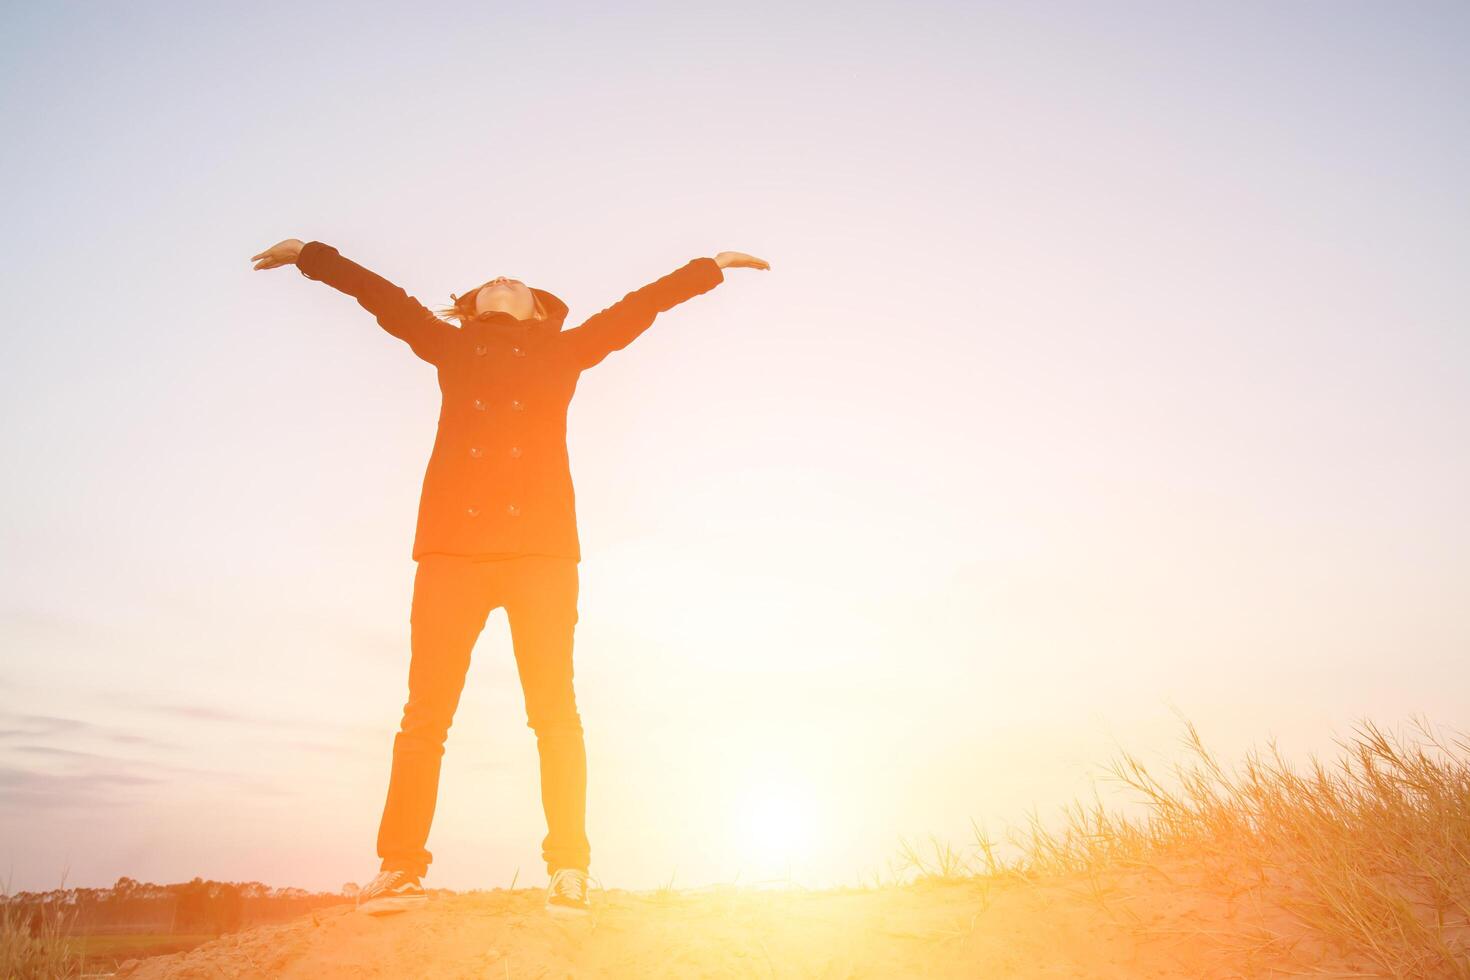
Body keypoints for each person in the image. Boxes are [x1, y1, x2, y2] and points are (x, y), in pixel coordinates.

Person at [250, 236, 769, 917]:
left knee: (554, 713)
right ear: (471, 310)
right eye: (491, 280)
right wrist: (313, 257)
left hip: (540, 554)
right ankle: (400, 866)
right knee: (423, 717)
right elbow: (385, 300)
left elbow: (638, 309)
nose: (502, 279)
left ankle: (570, 871)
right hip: (452, 553)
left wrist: (708, 269)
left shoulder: (564, 351)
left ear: (537, 314)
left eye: (516, 282)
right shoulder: (451, 347)